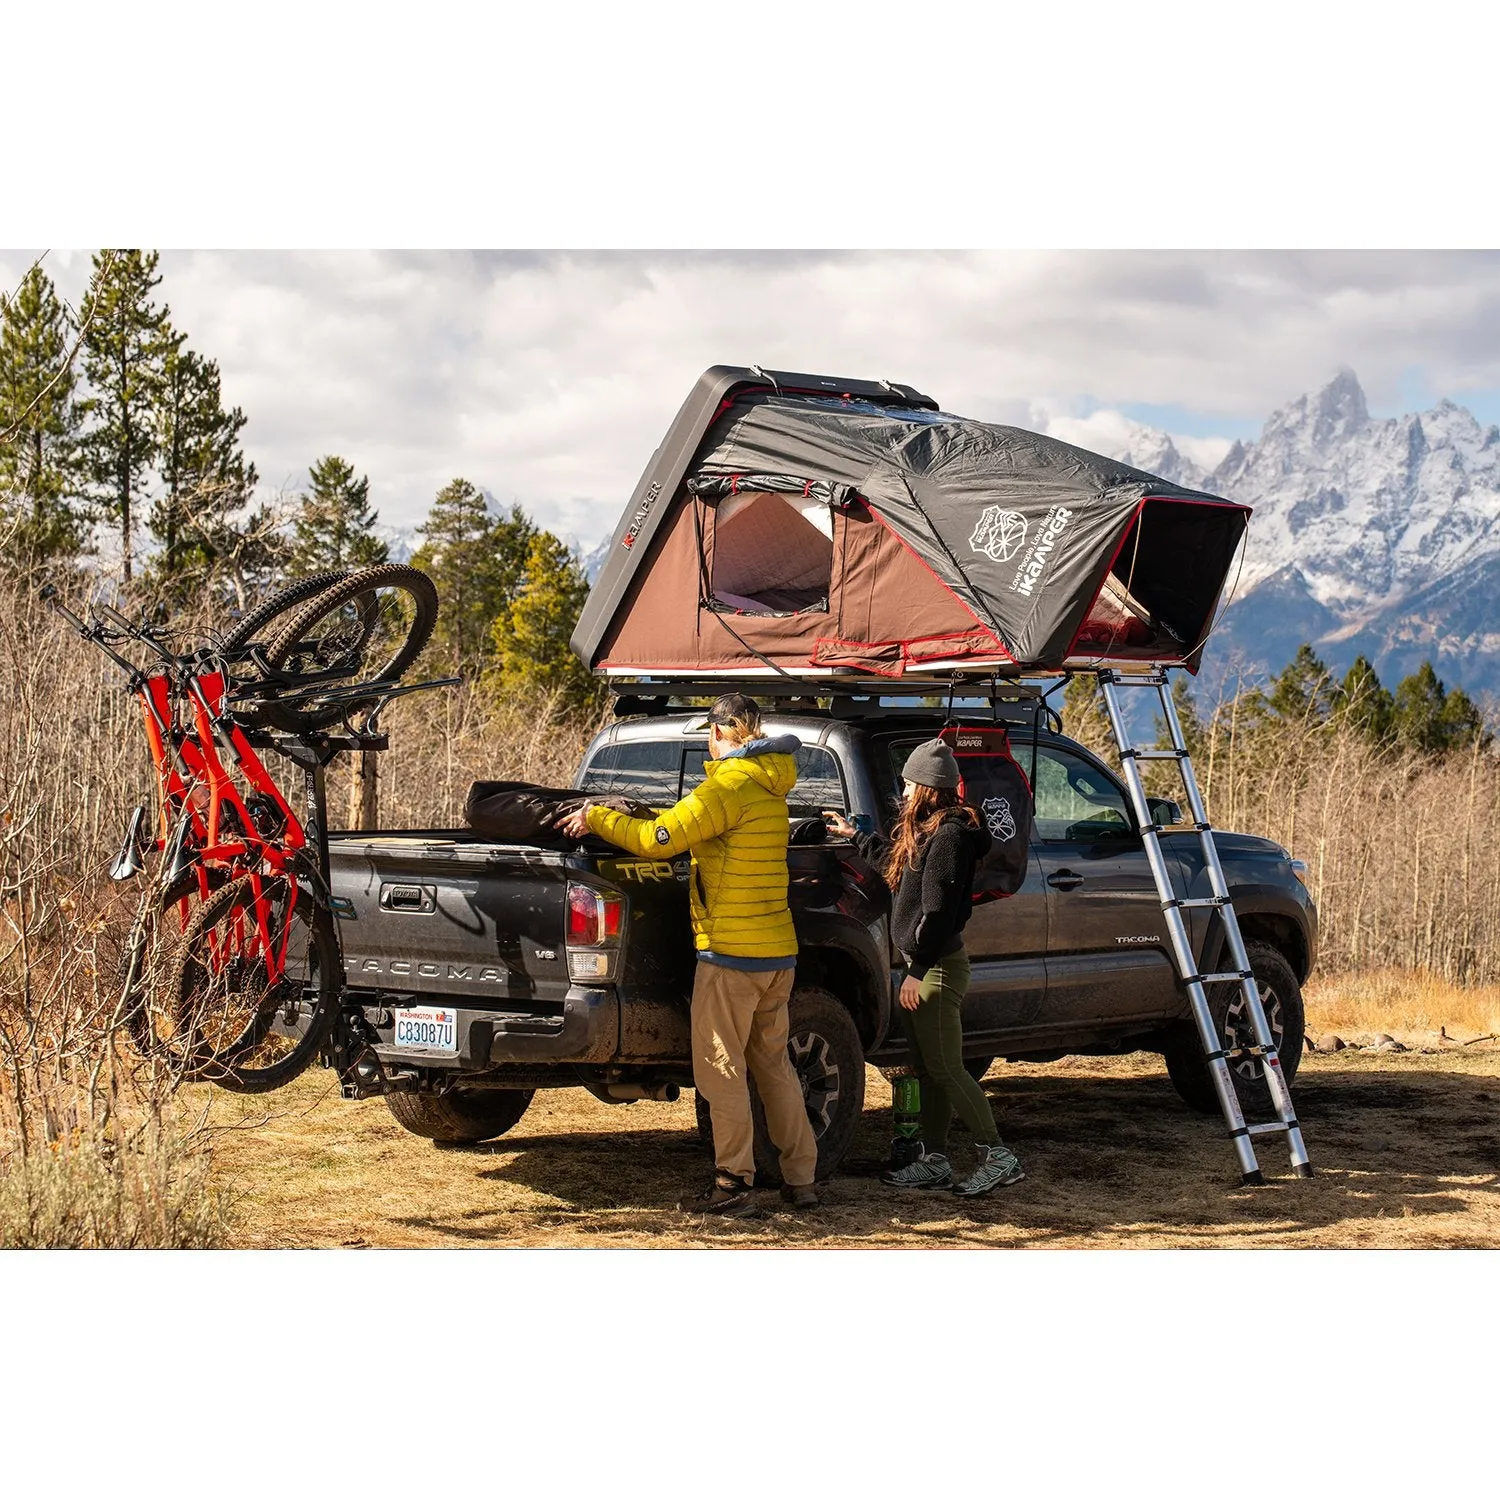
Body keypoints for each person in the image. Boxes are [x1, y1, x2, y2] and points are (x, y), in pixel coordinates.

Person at [555, 693, 819, 1217]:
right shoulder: (771, 786)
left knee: (720, 1069)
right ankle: (801, 1178)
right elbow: (692, 827)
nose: (707, 742)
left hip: (730, 955)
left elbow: (658, 839)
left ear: (721, 734)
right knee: (774, 1066)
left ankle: (733, 1182)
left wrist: (599, 819)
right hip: (776, 953)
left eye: (709, 734)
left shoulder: (726, 785)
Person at [825, 739, 1025, 1196]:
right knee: (929, 1067)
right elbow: (898, 873)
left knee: (948, 1068)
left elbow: (937, 913)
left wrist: (917, 973)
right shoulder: (931, 831)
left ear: (928, 787)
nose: (906, 789)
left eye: (911, 782)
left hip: (936, 970)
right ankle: (934, 1159)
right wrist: (855, 836)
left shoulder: (951, 838)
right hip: (925, 967)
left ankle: (999, 1156)